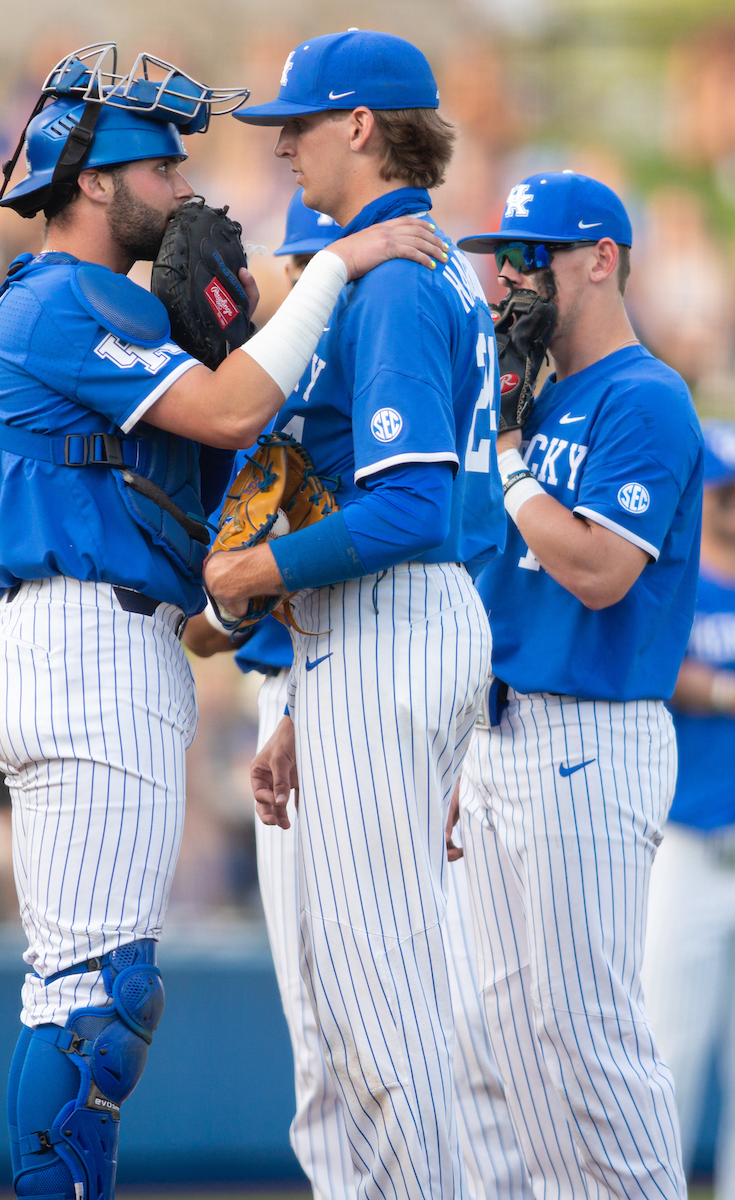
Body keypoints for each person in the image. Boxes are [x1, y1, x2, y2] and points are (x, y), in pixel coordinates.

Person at [0, 42, 446, 1200]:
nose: (182, 193)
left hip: (100, 637)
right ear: (91, 183)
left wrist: (239, 597)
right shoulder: (59, 298)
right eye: (159, 172)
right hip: (80, 644)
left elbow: (207, 544)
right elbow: (237, 413)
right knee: (94, 998)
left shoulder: (99, 309)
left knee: (90, 988)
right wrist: (333, 267)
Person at [204, 29, 505, 1200]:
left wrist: (251, 578)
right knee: (335, 1022)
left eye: (300, 121)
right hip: (369, 638)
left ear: (362, 126)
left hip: (395, 616)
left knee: (379, 1008)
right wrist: (305, 682)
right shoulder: (401, 268)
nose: (282, 143)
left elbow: (409, 514)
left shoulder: (389, 282)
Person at [455, 170, 704, 1200]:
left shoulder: (642, 395)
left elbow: (599, 570)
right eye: (505, 257)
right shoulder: (533, 392)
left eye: (535, 257)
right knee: (503, 1039)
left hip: (590, 736)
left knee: (585, 1032)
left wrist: (511, 461)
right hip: (504, 730)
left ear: (599, 259)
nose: (512, 277)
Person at [184, 193, 357, 1200]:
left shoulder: (394, 387)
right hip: (288, 701)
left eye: (317, 263)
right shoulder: (258, 409)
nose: (301, 282)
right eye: (292, 268)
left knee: (429, 1021)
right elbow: (206, 618)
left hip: (408, 693)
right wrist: (248, 598)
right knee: (317, 1024)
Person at [641, 420, 735, 1199]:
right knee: (666, 1048)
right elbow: (663, 666)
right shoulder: (679, 574)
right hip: (683, 840)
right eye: (724, 491)